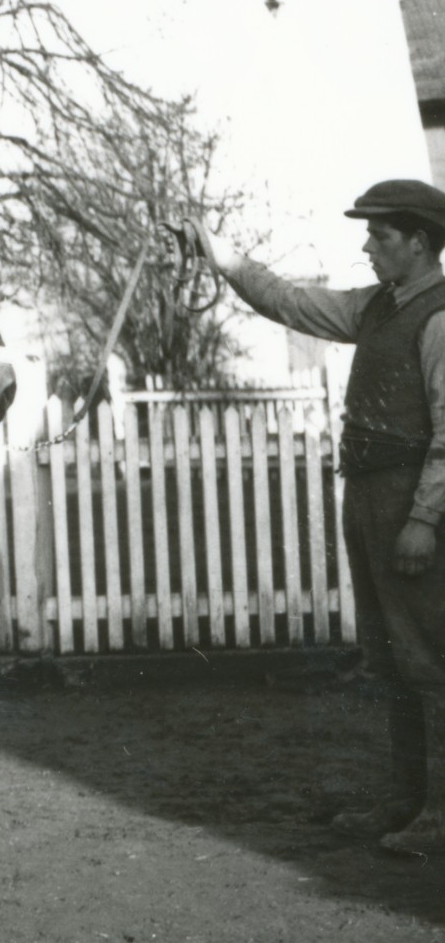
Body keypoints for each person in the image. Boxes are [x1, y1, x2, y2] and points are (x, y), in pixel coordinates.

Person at [187, 180, 445, 855]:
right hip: (367, 495)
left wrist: (423, 518)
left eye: (379, 236)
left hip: (415, 501)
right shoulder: (376, 308)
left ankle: (440, 817)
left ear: (417, 243)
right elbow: (291, 303)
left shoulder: (439, 318)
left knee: (428, 659)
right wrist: (225, 260)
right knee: (387, 658)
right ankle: (404, 799)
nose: (365, 246)